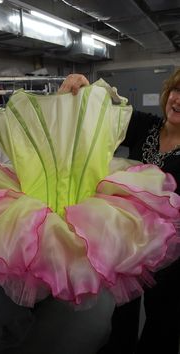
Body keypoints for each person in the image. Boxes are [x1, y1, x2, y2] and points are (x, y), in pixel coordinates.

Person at [58, 71, 180, 354]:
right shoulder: (145, 126)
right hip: (130, 243)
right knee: (124, 306)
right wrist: (86, 85)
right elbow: (103, 112)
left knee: (164, 315)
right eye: (176, 90)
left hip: (172, 250)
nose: (178, 100)